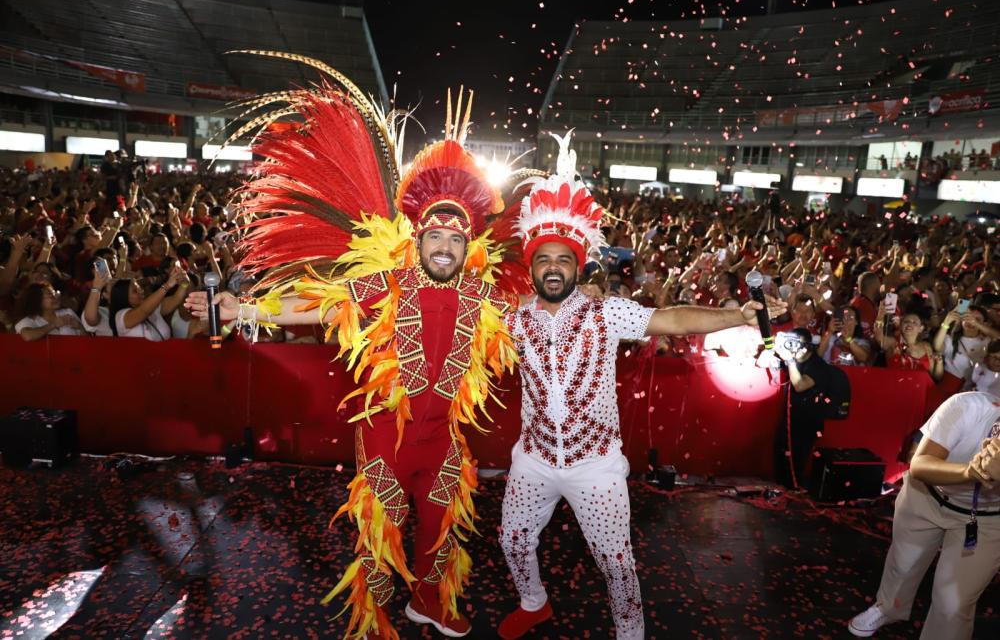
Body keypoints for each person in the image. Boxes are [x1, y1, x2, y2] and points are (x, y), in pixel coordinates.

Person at [186, 64, 532, 640]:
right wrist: (241, 309)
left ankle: (429, 602)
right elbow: (315, 306)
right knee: (381, 529)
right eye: (435, 237)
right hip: (386, 437)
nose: (444, 246)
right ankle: (372, 621)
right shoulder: (387, 284)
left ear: (468, 245)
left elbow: (536, 316)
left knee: (442, 527)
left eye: (455, 239)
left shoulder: (483, 293)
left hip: (445, 438)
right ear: (416, 238)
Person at [495, 132, 786, 640]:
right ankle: (533, 602)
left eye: (563, 259)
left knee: (616, 562)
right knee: (514, 541)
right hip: (534, 459)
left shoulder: (606, 312)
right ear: (532, 267)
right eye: (544, 260)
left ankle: (630, 633)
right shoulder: (512, 318)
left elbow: (672, 319)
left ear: (578, 264)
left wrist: (737, 314)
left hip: (597, 466)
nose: (554, 268)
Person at [848, 391, 1000, 639]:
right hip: (926, 497)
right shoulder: (968, 405)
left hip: (987, 519)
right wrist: (972, 471)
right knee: (903, 565)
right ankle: (887, 608)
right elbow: (919, 465)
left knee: (954, 602)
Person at [771, 327, 842, 488]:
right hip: (788, 423)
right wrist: (775, 349)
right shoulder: (790, 358)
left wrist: (789, 360)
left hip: (807, 425)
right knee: (780, 459)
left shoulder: (818, 366)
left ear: (807, 346)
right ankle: (780, 494)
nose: (791, 346)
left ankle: (793, 496)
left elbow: (800, 385)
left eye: (795, 343)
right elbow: (762, 362)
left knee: (795, 465)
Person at [109, 264, 187, 340]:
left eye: (139, 287)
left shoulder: (152, 306)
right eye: (135, 291)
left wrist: (184, 283)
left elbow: (175, 300)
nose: (141, 291)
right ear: (123, 297)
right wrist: (167, 285)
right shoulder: (121, 316)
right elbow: (143, 311)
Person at [14, 282, 85, 341]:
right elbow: (28, 336)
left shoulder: (67, 312)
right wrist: (53, 324)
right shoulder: (29, 320)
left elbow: (88, 340)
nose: (56, 298)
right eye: (50, 295)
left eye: (55, 294)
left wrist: (80, 327)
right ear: (37, 300)